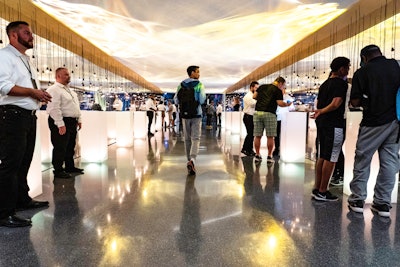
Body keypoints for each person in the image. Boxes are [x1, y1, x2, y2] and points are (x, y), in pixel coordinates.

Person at [0, 21, 52, 227]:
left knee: (24, 162)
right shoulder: (4, 56)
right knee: (10, 165)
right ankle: (4, 213)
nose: (31, 36)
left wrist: (38, 96)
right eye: (27, 33)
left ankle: (22, 199)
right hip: (12, 116)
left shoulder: (25, 60)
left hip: (27, 116)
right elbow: (4, 87)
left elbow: (26, 88)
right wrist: (32, 92)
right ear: (13, 36)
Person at [347, 45, 400, 217]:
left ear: (364, 58)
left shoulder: (362, 73)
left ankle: (357, 199)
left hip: (373, 122)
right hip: (396, 121)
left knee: (363, 159)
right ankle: (382, 203)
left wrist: (365, 101)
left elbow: (354, 102)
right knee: (389, 162)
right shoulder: (396, 65)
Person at [310, 57, 350, 201]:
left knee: (323, 156)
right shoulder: (341, 84)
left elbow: (320, 103)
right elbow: (336, 103)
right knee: (332, 157)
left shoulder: (324, 84)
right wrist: (322, 111)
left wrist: (320, 111)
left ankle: (317, 188)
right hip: (334, 123)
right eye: (347, 67)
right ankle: (323, 190)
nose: (348, 70)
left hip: (323, 123)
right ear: (341, 69)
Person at [46, 67, 84, 179]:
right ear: (58, 76)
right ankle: (58, 170)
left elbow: (76, 107)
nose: (69, 76)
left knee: (70, 145)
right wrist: (60, 123)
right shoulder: (54, 89)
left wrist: (79, 120)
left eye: (69, 74)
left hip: (72, 121)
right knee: (60, 146)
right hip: (61, 120)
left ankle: (70, 167)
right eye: (66, 74)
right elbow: (53, 108)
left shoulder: (70, 91)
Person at [174, 65, 206, 175]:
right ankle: (192, 160)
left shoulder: (181, 85)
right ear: (192, 73)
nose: (199, 74)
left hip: (185, 114)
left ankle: (189, 160)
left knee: (187, 138)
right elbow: (202, 100)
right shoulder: (199, 85)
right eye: (197, 72)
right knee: (196, 138)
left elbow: (176, 100)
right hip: (196, 114)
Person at [253, 77, 291, 163]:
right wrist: (287, 104)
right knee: (270, 136)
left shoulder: (262, 87)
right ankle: (269, 156)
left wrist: (262, 99)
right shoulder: (277, 90)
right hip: (270, 113)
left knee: (257, 136)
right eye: (283, 86)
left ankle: (257, 155)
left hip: (258, 112)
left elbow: (254, 96)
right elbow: (280, 103)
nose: (283, 88)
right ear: (280, 83)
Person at [273, 88, 293, 158]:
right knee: (277, 135)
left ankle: (284, 148)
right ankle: (276, 148)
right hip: (277, 118)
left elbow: (291, 107)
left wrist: (288, 105)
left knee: (285, 134)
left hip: (285, 119)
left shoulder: (288, 97)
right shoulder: (276, 97)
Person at [241, 81, 259, 156]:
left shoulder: (253, 95)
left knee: (252, 134)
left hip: (252, 116)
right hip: (248, 117)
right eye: (256, 87)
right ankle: (246, 149)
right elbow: (252, 104)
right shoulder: (248, 96)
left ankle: (248, 149)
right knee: (250, 134)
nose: (257, 89)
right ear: (251, 87)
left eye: (258, 88)